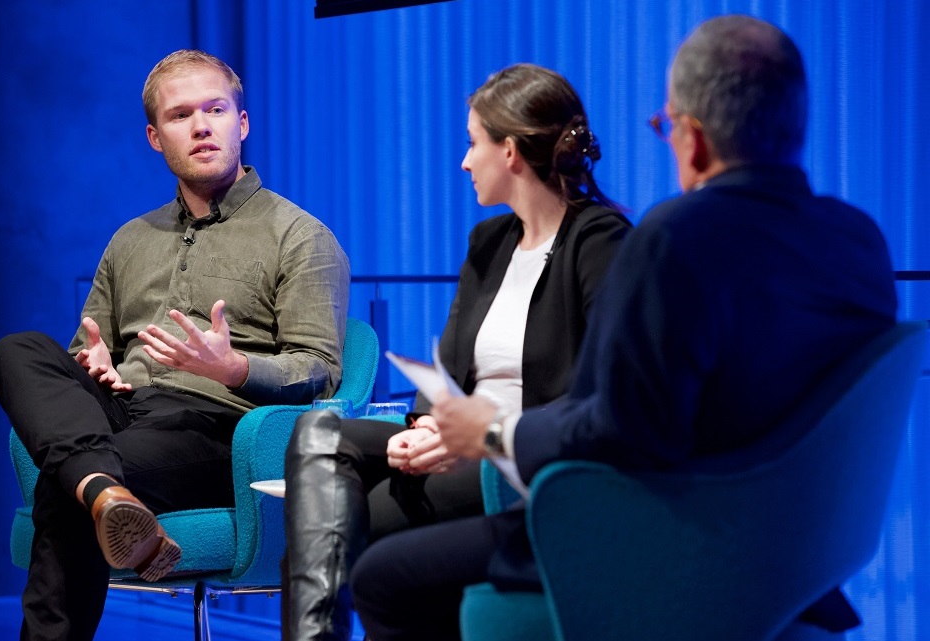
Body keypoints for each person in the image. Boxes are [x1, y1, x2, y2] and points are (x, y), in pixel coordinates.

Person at [350, 15, 898, 641]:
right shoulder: (859, 241)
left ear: (692, 138)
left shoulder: (677, 236)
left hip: (672, 543)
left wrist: (496, 431)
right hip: (801, 557)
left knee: (382, 577)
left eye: (664, 127)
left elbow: (623, 431)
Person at [0, 49, 350, 641]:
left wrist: (234, 368)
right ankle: (107, 492)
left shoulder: (301, 237)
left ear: (243, 122)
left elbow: (320, 370)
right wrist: (90, 363)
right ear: (157, 138)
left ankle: (96, 490)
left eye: (216, 109)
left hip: (214, 428)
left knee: (67, 478)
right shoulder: (130, 239)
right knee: (18, 348)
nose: (202, 126)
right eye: (182, 115)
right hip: (121, 408)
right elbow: (89, 342)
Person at [281, 62, 631, 640]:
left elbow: (597, 395)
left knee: (333, 521)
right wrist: (426, 426)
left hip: (516, 456)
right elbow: (449, 362)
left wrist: (477, 431)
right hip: (455, 441)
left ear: (511, 151)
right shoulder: (488, 242)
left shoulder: (599, 243)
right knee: (319, 432)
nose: (465, 161)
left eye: (473, 144)